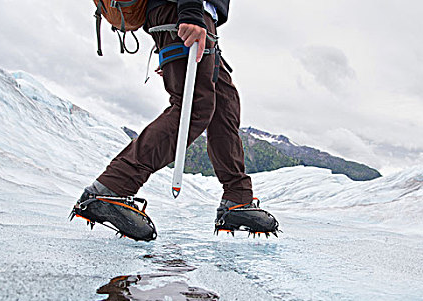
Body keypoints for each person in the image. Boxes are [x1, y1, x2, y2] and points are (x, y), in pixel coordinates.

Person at [71, 0, 279, 241]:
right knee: (194, 107)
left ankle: (237, 200)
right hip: (184, 9)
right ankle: (112, 188)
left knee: (224, 105)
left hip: (196, 14)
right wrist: (190, 13)